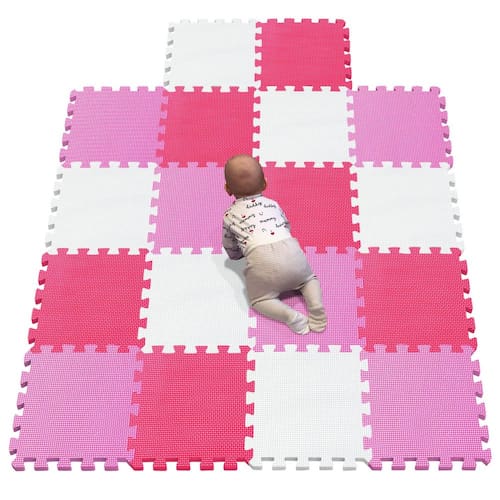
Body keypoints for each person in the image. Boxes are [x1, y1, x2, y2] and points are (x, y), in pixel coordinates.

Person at [222, 154, 327, 334]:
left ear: (227, 189)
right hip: (291, 251)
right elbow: (286, 225)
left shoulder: (229, 215)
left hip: (262, 262)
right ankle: (316, 307)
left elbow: (230, 245)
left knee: (259, 300)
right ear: (265, 184)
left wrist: (236, 256)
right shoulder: (273, 204)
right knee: (309, 280)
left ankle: (291, 316)